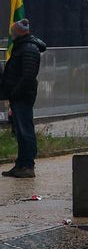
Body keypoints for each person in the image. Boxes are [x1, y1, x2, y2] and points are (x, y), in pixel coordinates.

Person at [0, 20, 46, 178]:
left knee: (25, 130)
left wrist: (14, 92)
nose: (11, 34)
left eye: (12, 31)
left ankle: (27, 165)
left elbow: (28, 75)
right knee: (20, 131)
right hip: (18, 95)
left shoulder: (29, 48)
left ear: (18, 32)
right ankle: (20, 164)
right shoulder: (22, 46)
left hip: (23, 96)